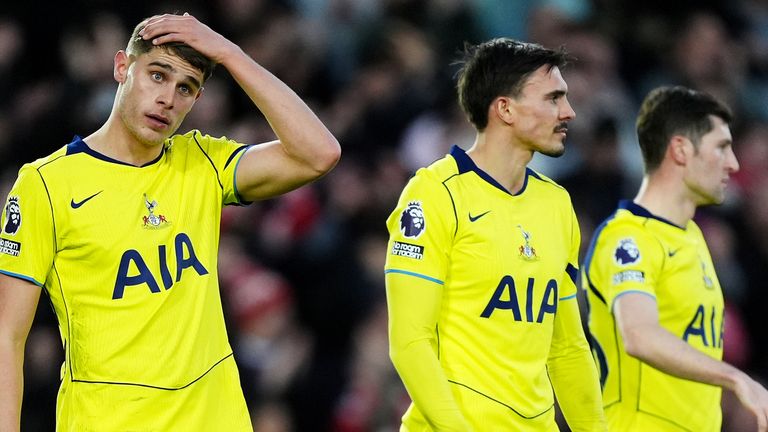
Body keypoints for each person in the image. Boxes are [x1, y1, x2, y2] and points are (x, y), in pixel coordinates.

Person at [0, 13, 340, 431]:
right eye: (157, 76)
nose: (168, 99)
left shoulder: (203, 163)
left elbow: (318, 153)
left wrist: (231, 55)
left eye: (186, 88)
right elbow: (7, 336)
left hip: (215, 419)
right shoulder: (45, 186)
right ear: (122, 67)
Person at [384, 38, 606, 431]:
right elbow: (410, 342)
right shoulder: (435, 194)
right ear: (505, 108)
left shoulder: (557, 204)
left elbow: (568, 349)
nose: (569, 112)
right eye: (554, 98)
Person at [583, 86, 768, 431]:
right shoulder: (628, 238)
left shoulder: (692, 237)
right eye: (722, 148)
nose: (734, 163)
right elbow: (638, 334)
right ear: (681, 149)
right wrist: (737, 378)